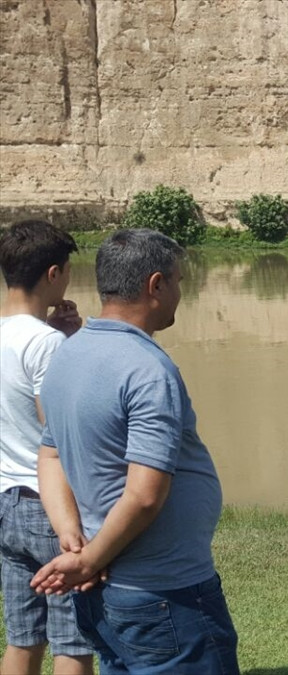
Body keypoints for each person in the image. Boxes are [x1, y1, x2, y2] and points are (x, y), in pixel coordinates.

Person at [31, 229, 239, 674]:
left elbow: (49, 456)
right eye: (178, 281)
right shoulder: (148, 369)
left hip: (105, 593)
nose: (180, 292)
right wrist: (88, 559)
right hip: (165, 594)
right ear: (155, 285)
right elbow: (144, 495)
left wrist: (72, 535)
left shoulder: (67, 354)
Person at [0, 220, 92, 674]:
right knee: (72, 643)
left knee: (22, 639)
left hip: (5, 503)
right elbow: (56, 431)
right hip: (49, 507)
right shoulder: (46, 343)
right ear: (53, 273)